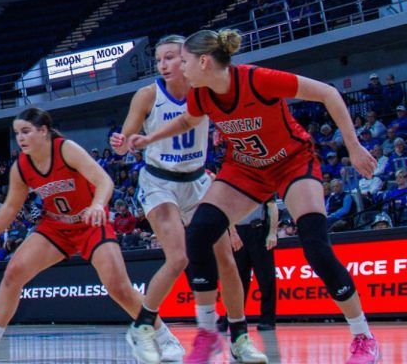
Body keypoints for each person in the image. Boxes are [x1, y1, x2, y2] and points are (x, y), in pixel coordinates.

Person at [130, 29, 381, 364]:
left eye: (184, 61)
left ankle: (363, 336)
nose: (181, 68)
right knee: (200, 233)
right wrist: (150, 139)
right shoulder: (202, 95)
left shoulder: (257, 79)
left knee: (316, 249)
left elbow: (328, 93)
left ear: (204, 61)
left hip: (292, 163)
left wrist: (353, 145)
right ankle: (208, 334)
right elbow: (189, 120)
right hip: (246, 168)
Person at [0, 108, 162, 364]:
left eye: (26, 131)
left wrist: (97, 204)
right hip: (56, 226)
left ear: (43, 131)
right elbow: (10, 207)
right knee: (13, 272)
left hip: (90, 221)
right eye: (17, 133)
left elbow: (104, 180)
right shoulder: (22, 166)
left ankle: (163, 338)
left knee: (119, 288)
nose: (21, 138)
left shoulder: (66, 149)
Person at [111, 35, 262, 364]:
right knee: (178, 257)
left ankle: (239, 338)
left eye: (171, 58)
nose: (163, 65)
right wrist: (121, 143)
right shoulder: (148, 95)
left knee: (227, 260)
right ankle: (144, 327)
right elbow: (126, 141)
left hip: (198, 181)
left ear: (189, 60)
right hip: (159, 182)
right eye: (159, 59)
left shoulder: (204, 91)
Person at [232, 199, 279, 330]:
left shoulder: (261, 181)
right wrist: (232, 233)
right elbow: (227, 211)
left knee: (266, 278)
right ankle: (235, 318)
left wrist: (272, 233)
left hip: (258, 230)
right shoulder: (232, 185)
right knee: (238, 279)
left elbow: (273, 206)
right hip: (238, 232)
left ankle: (268, 319)